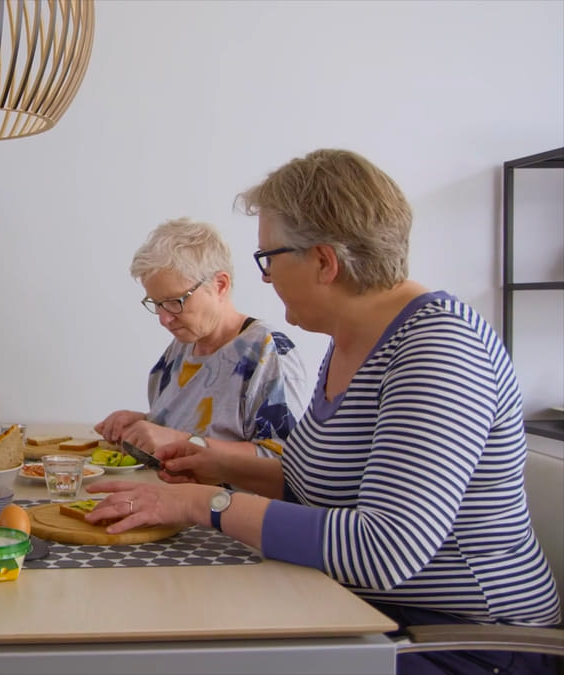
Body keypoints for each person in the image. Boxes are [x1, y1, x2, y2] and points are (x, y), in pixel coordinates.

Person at [85, 149, 561, 675]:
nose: (265, 278)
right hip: (367, 610)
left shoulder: (439, 347)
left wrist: (205, 504)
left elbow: (384, 550)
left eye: (268, 258)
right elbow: (318, 485)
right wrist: (215, 463)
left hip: (464, 639)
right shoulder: (352, 341)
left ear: (324, 261)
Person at [94, 218, 307, 468]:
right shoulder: (180, 349)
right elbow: (191, 428)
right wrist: (145, 423)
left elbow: (284, 463)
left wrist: (180, 441)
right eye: (157, 304)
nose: (164, 319)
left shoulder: (268, 352)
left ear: (220, 285)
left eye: (175, 301)